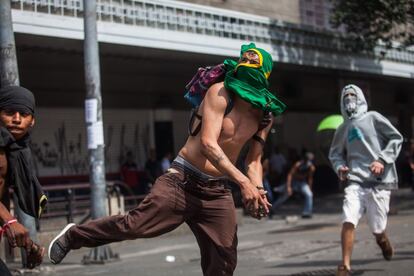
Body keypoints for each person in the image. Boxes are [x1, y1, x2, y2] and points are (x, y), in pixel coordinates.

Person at [48, 42, 286, 275]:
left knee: (223, 262)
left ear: (264, 75)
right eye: (246, 63)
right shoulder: (221, 92)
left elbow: (253, 161)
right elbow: (208, 145)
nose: (248, 66)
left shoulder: (264, 114)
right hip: (182, 182)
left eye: (255, 65)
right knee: (134, 225)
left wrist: (258, 192)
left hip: (216, 192)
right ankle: (74, 236)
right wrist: (243, 183)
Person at [329, 84, 403, 276]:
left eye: (353, 95)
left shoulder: (373, 118)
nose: (349, 99)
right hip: (355, 181)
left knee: (377, 227)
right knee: (348, 219)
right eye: (346, 96)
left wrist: (382, 159)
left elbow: (396, 138)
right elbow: (335, 154)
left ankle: (382, 239)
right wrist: (340, 167)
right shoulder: (342, 127)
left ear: (361, 97)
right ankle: (345, 266)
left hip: (379, 181)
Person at [0, 86, 46, 275]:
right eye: (10, 112)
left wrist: (29, 245)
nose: (17, 119)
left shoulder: (15, 152)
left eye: (24, 114)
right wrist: (10, 221)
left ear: (32, 121)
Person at [270, 152, 315, 218]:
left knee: (309, 194)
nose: (309, 161)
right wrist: (288, 187)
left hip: (302, 183)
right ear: (305, 159)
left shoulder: (311, 167)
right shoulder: (298, 165)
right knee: (285, 195)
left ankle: (307, 212)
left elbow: (310, 178)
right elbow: (290, 175)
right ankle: (272, 208)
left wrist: (310, 188)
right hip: (294, 182)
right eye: (308, 159)